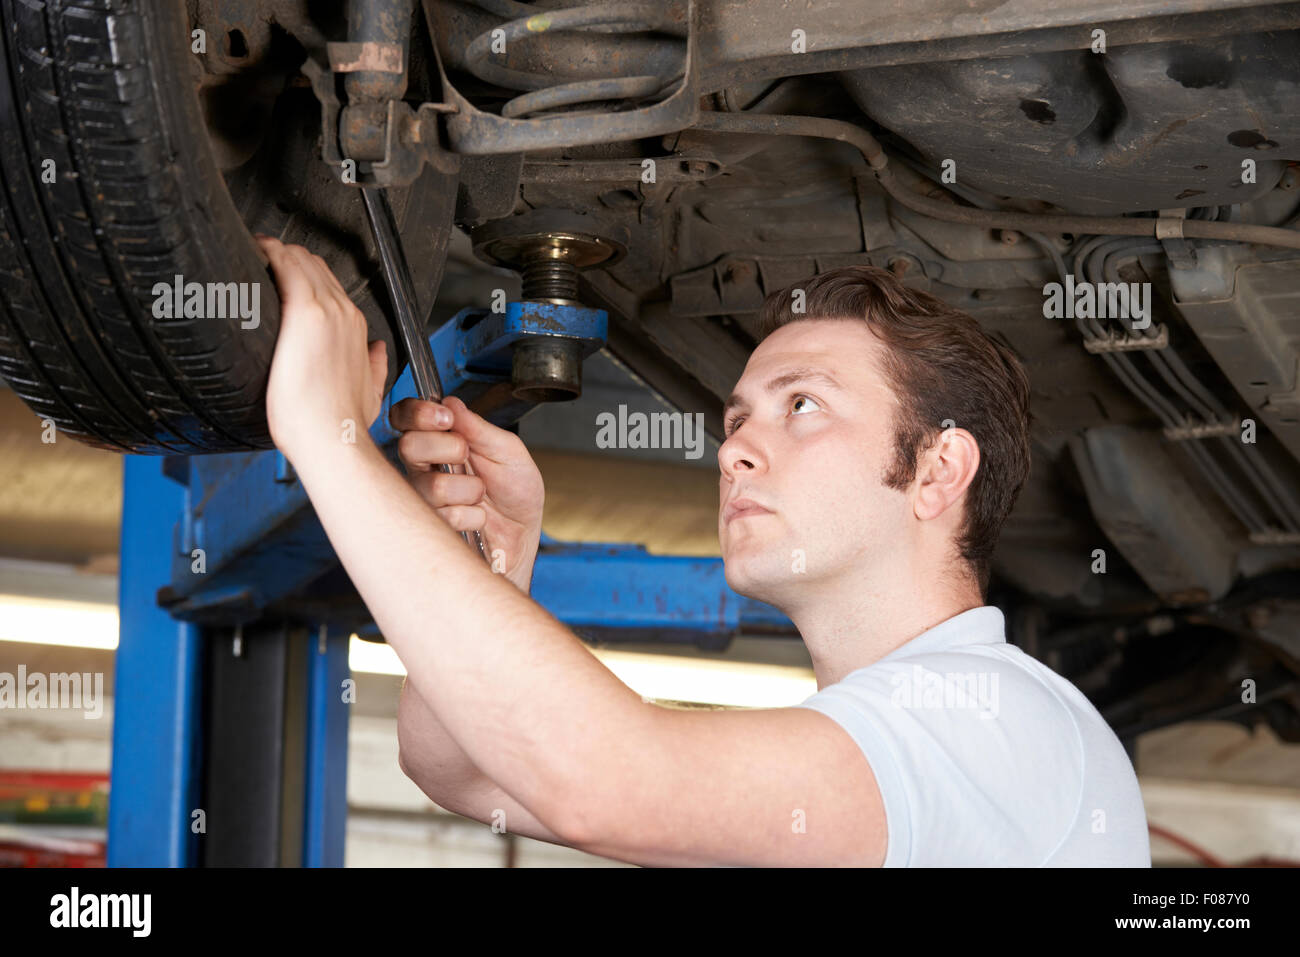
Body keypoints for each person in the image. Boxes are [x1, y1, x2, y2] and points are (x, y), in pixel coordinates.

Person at [257, 235, 1150, 866]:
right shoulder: (874, 754)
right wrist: (499, 562)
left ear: (937, 467)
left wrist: (328, 439)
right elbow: (460, 771)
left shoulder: (989, 718)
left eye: (802, 404)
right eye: (736, 420)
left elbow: (606, 782)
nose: (733, 450)